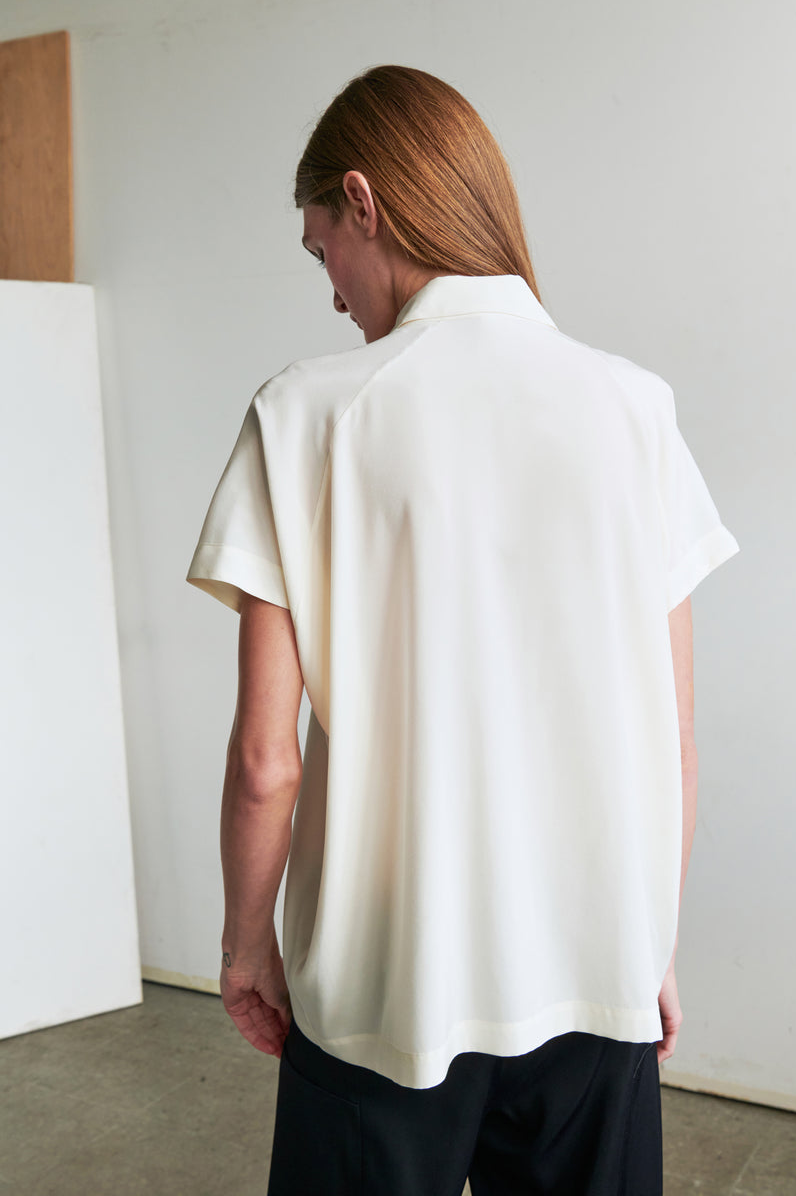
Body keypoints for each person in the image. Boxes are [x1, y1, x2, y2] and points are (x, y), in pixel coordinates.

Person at [187, 64, 739, 1196]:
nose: (332, 291)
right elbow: (671, 743)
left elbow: (264, 761)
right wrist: (651, 951)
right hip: (596, 980)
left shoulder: (305, 414)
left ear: (363, 200)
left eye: (319, 247)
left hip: (385, 994)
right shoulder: (635, 409)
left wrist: (248, 949)